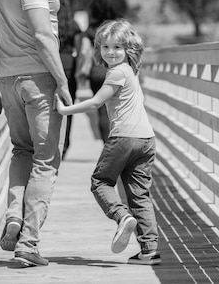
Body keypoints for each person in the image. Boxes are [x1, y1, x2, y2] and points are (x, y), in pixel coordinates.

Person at [0, 0, 72, 268]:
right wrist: (63, 83)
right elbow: (41, 35)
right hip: (38, 81)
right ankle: (28, 244)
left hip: (8, 80)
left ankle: (13, 218)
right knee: (47, 162)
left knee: (22, 152)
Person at [55, 19, 161, 265]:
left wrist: (64, 110)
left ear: (129, 49)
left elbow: (95, 102)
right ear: (98, 48)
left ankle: (121, 216)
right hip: (146, 139)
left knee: (100, 182)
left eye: (117, 48)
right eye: (105, 47)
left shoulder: (117, 72)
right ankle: (149, 250)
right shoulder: (133, 71)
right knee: (140, 194)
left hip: (124, 137)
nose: (110, 53)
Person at [75, 0, 128, 142]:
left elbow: (85, 52)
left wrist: (81, 73)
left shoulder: (91, 32)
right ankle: (119, 147)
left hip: (98, 73)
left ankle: (108, 146)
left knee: (104, 112)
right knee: (121, 111)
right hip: (120, 72)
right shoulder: (121, 30)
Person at [57, 0, 81, 160]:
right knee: (68, 107)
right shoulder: (73, 26)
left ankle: (51, 145)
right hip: (69, 66)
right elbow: (79, 50)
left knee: (50, 107)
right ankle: (64, 145)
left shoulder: (45, 23)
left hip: (50, 65)